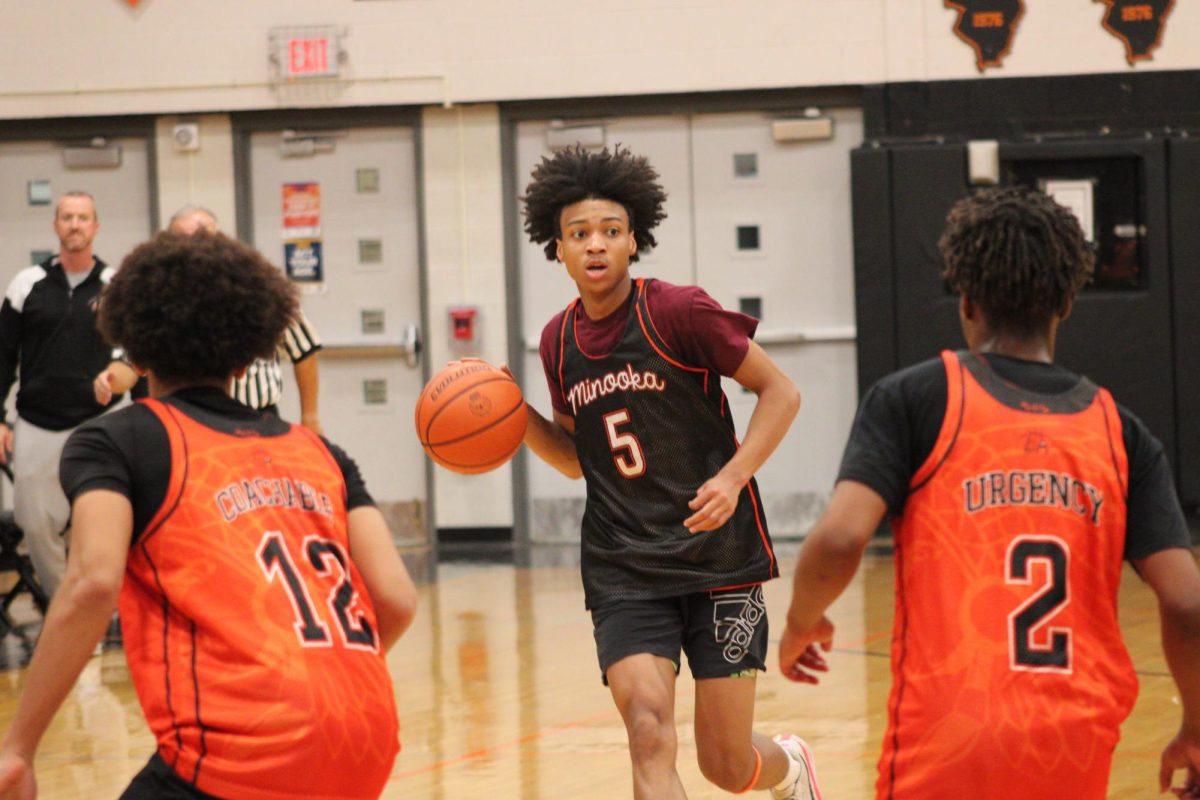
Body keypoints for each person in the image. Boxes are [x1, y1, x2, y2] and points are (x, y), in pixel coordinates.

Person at [778, 186, 1200, 799]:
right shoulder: (1120, 432)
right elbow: (1187, 604)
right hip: (1074, 734)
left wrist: (801, 622)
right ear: (1068, 302)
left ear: (967, 299)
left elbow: (843, 535)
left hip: (950, 732)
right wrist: (1194, 723)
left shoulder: (916, 399)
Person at [0, 231, 418, 799]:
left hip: (243, 746)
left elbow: (93, 581)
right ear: (249, 354)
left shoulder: (120, 440)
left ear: (134, 347)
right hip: (366, 732)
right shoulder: (324, 453)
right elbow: (395, 598)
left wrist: (18, 748)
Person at [517, 145, 819, 800]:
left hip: (719, 557)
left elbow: (781, 392)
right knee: (647, 730)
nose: (595, 246)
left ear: (634, 241)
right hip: (624, 564)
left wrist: (735, 476)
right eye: (579, 234)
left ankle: (789, 766)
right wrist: (512, 418)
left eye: (610, 232)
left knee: (726, 765)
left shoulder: (679, 312)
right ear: (558, 248)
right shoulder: (557, 341)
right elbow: (577, 459)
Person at [94, 205, 325, 435]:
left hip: (255, 417)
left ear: (221, 241)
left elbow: (303, 350)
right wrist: (110, 379)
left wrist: (310, 415)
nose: (194, 251)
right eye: (183, 241)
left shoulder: (258, 288)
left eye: (203, 238)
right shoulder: (153, 298)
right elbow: (130, 364)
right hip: (182, 424)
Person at [0, 191, 126, 598]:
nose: (75, 224)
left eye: (83, 218)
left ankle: (93, 606)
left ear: (96, 226)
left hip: (98, 425)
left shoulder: (115, 286)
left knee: (97, 524)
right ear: (56, 226)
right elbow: (2, 356)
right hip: (36, 422)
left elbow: (134, 354)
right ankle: (63, 607)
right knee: (35, 524)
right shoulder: (26, 284)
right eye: (67, 217)